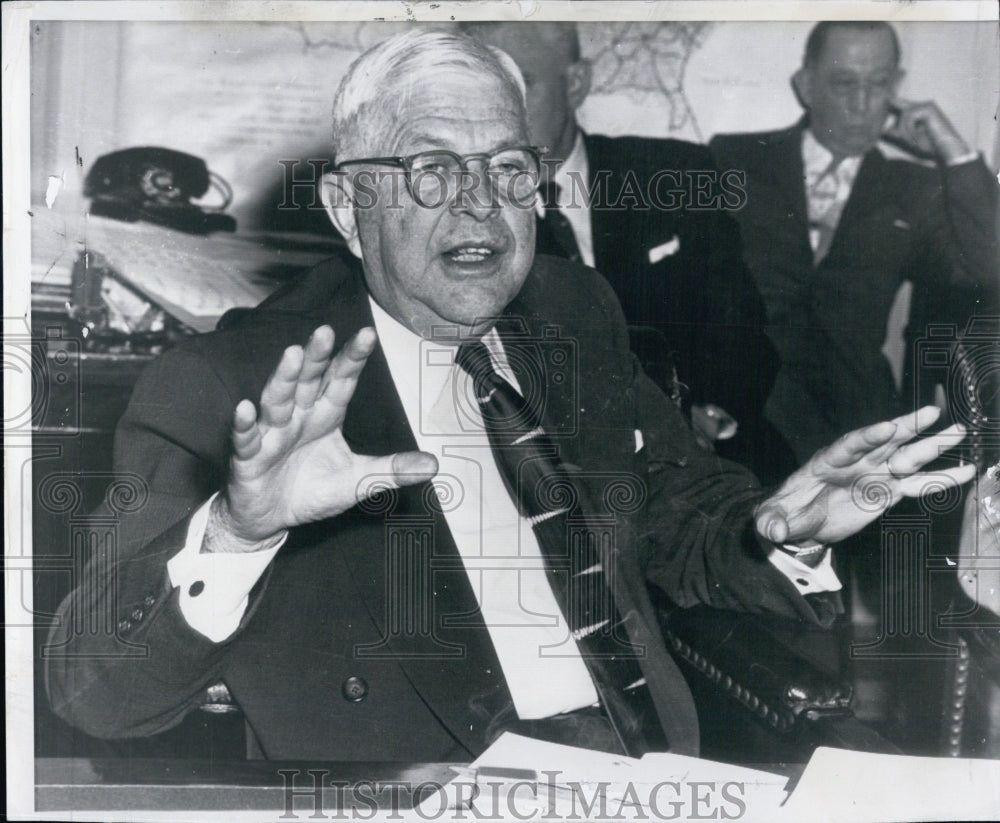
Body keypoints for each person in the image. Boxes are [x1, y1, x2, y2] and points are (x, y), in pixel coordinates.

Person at [46, 29, 973, 762]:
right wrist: (238, 534)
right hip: (424, 784)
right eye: (432, 172)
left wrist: (783, 525)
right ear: (347, 209)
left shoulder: (575, 311)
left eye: (507, 170)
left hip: (649, 771)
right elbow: (91, 691)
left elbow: (674, 510)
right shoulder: (235, 385)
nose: (479, 205)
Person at [461, 22, 795, 482]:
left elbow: (738, 324)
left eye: (519, 86)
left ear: (576, 83)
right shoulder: (466, 215)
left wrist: (706, 416)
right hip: (563, 470)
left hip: (710, 447)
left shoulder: (671, 175)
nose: (493, 113)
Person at [711, 21, 999, 466]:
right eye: (844, 83)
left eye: (878, 84)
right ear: (806, 85)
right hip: (742, 424)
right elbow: (683, 287)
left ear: (896, 87)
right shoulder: (735, 160)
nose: (863, 105)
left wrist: (954, 151)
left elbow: (991, 265)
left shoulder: (914, 189)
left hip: (859, 434)